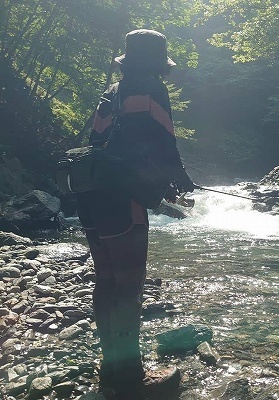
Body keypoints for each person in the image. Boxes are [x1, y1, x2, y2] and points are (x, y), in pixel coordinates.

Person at [77, 29, 195, 399]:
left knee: (107, 282)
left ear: (127, 60)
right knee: (129, 287)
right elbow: (164, 143)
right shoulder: (152, 89)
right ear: (159, 62)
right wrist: (181, 179)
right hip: (122, 200)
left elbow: (100, 144)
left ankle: (111, 368)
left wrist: (162, 183)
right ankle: (131, 379)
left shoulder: (111, 93)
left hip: (90, 196)